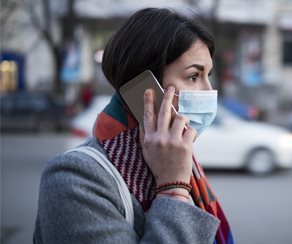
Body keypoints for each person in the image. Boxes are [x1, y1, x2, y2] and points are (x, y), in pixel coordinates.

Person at [34, 8, 233, 244]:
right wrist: (173, 189)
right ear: (145, 89)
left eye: (208, 75)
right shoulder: (74, 179)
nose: (209, 92)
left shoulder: (176, 158)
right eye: (193, 77)